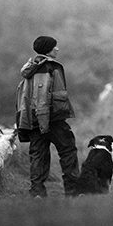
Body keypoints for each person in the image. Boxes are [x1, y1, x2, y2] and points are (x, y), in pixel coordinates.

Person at [15, 36, 79, 197]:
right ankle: (73, 191)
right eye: (54, 47)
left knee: (38, 155)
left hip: (33, 119)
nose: (57, 49)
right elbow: (45, 95)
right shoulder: (50, 67)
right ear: (48, 49)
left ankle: (37, 192)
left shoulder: (30, 69)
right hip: (51, 118)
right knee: (68, 151)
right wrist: (48, 118)